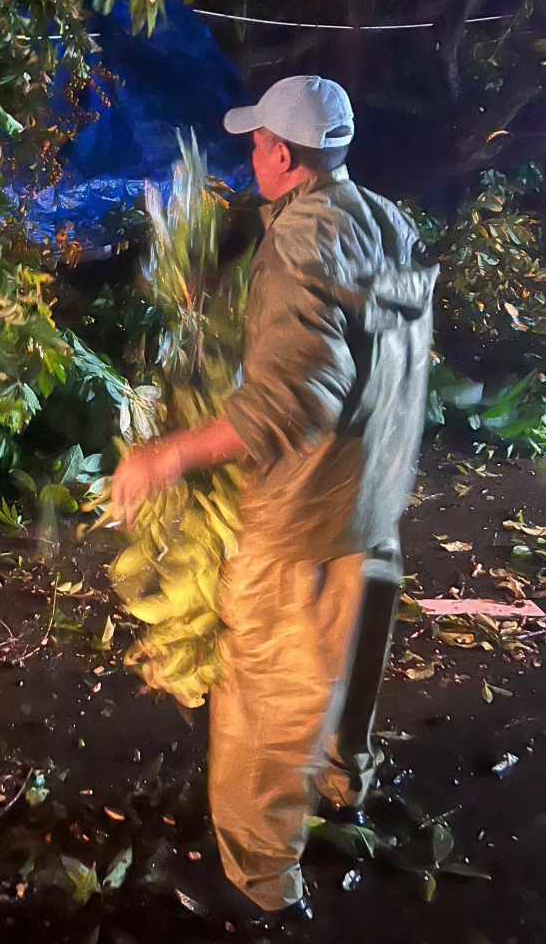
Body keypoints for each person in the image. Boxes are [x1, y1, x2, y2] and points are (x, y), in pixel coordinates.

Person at [111, 76, 437, 925]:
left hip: (306, 525)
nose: (248, 151)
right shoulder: (386, 221)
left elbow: (292, 403)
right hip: (373, 506)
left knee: (267, 697)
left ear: (282, 156)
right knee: (347, 675)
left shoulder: (299, 246)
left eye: (257, 142)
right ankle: (342, 791)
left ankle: (260, 890)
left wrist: (166, 454)